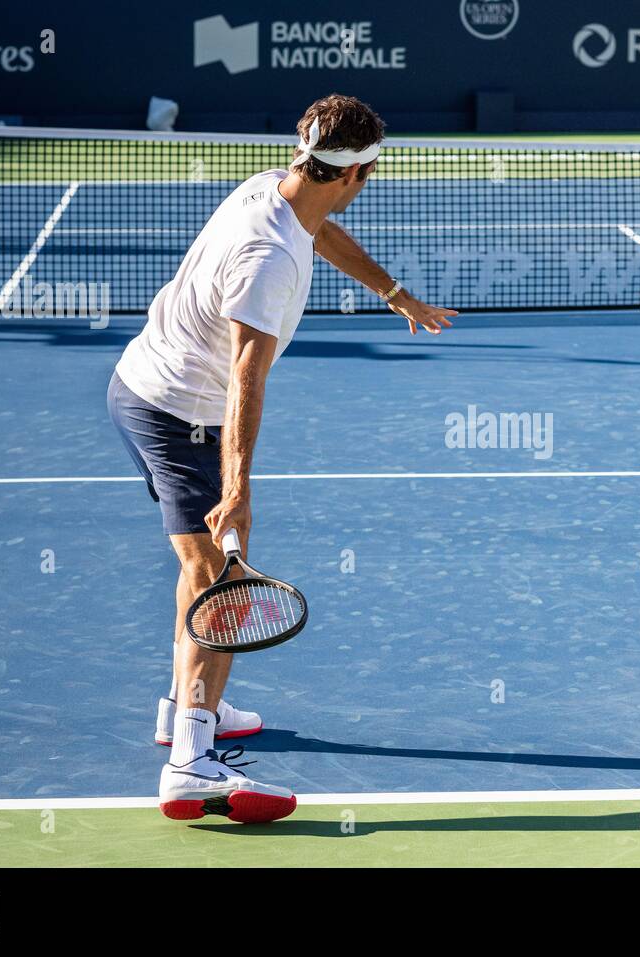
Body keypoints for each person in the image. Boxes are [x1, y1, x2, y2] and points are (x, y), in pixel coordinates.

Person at [107, 94, 457, 824]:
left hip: (143, 386)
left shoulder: (278, 186)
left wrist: (393, 293)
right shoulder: (268, 260)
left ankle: (184, 709)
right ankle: (189, 764)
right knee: (222, 580)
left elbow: (322, 232)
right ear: (357, 174)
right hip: (179, 414)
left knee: (201, 568)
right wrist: (236, 488)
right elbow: (246, 378)